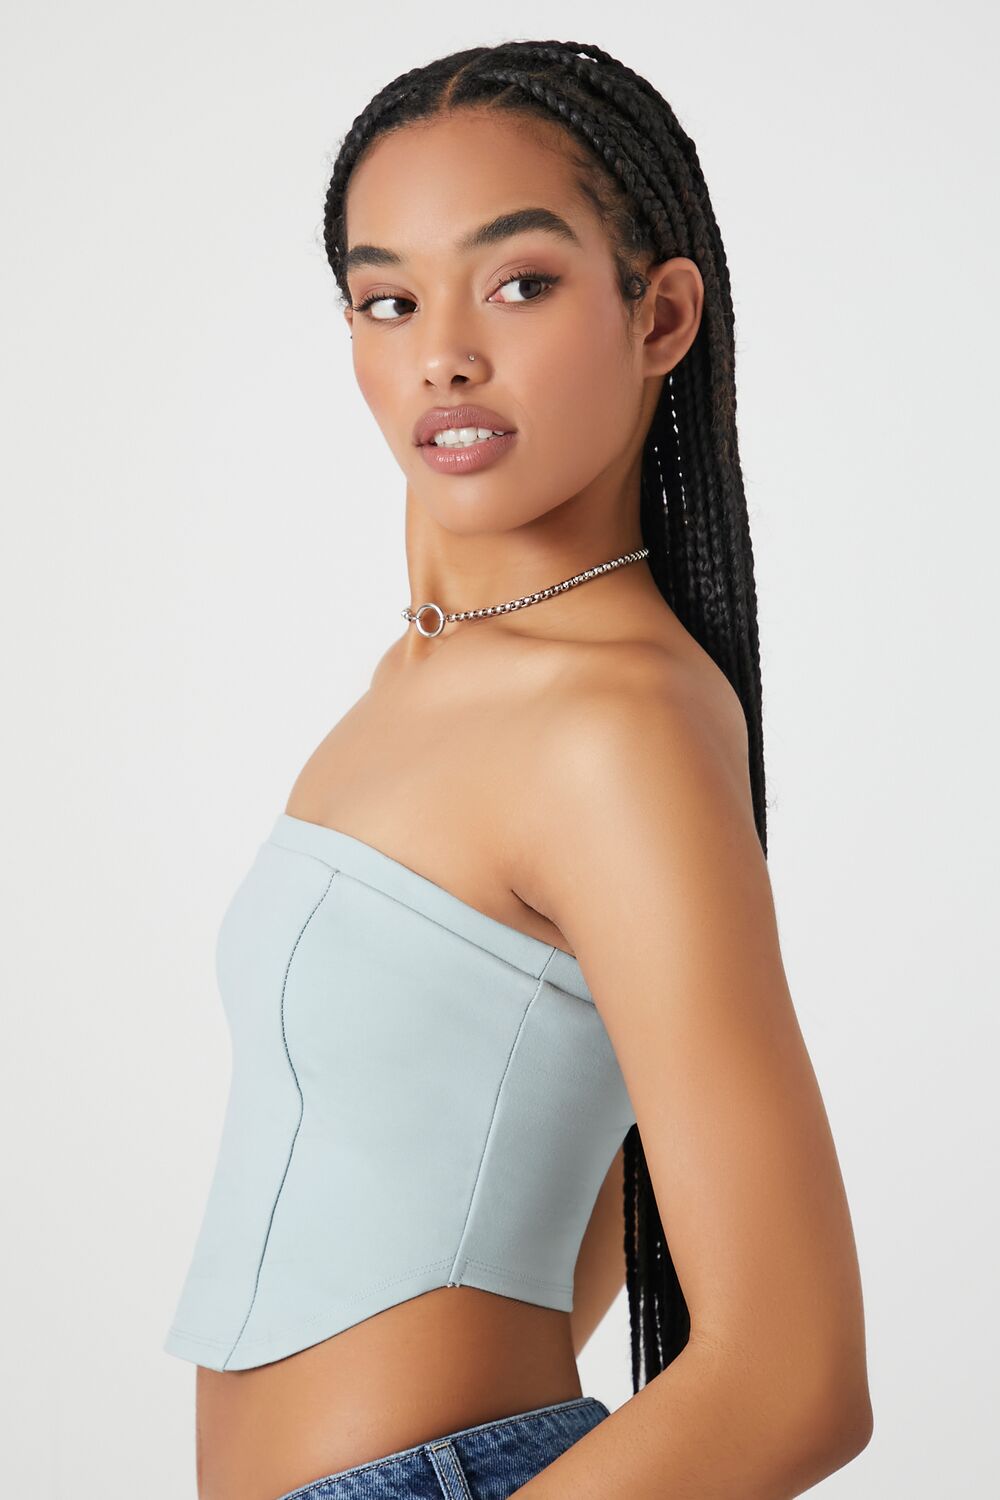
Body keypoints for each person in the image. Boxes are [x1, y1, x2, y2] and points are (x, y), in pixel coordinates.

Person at [164, 37, 873, 1500]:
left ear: (659, 314)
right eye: (389, 299)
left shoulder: (615, 723)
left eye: (521, 282)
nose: (443, 354)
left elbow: (794, 1376)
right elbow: (551, 1174)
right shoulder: (426, 677)